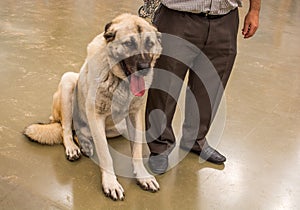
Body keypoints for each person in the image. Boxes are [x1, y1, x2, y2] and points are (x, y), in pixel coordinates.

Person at [145, 0, 261, 174]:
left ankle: (195, 139)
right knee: (165, 86)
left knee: (210, 84)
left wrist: (255, 10)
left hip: (225, 18)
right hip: (178, 16)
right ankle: (159, 146)